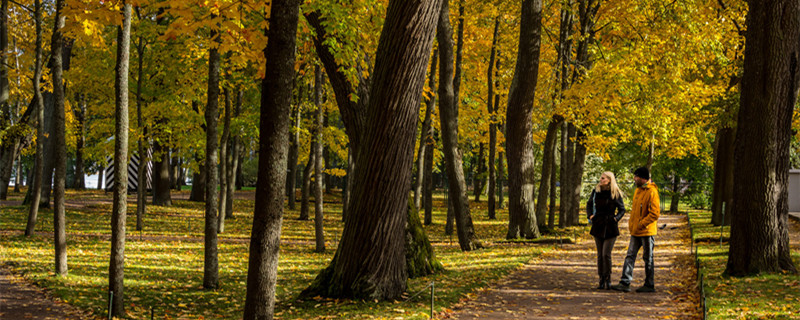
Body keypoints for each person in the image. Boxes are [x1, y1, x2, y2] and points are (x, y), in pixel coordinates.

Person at [611, 167, 661, 293]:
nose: (634, 179)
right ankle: (625, 282)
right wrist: (633, 225)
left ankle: (650, 284)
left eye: (636, 176)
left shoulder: (652, 192)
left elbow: (655, 213)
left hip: (647, 231)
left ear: (643, 178)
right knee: (630, 256)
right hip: (636, 231)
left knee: (648, 258)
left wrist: (641, 224)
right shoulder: (638, 191)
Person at [586, 172, 626, 290]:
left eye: (603, 178)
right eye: (601, 177)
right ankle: (601, 279)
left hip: (610, 226)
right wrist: (590, 216)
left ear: (609, 180)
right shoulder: (596, 191)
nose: (600, 179)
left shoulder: (615, 193)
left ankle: (608, 278)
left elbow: (622, 210)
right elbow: (589, 204)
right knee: (599, 255)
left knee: (606, 254)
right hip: (598, 225)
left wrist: (615, 219)